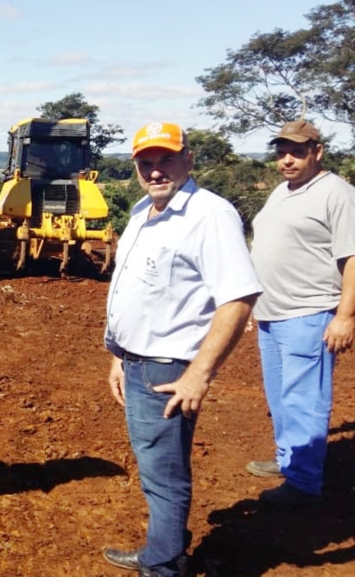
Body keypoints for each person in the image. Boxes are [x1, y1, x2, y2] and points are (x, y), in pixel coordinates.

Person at [102, 122, 262, 576]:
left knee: (163, 472)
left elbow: (239, 296)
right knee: (157, 464)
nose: (155, 171)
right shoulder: (141, 212)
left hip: (167, 369)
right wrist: (119, 353)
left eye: (166, 160)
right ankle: (165, 545)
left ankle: (164, 563)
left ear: (188, 160)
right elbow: (137, 291)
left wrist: (199, 374)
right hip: (136, 361)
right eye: (146, 163)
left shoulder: (209, 215)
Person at [246, 120, 355, 505]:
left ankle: (305, 483)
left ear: (317, 151)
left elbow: (352, 257)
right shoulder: (281, 191)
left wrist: (345, 316)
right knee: (280, 395)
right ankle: (288, 460)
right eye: (281, 152)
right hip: (271, 313)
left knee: (305, 398)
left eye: (296, 151)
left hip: (310, 313)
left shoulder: (337, 194)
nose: (287, 160)